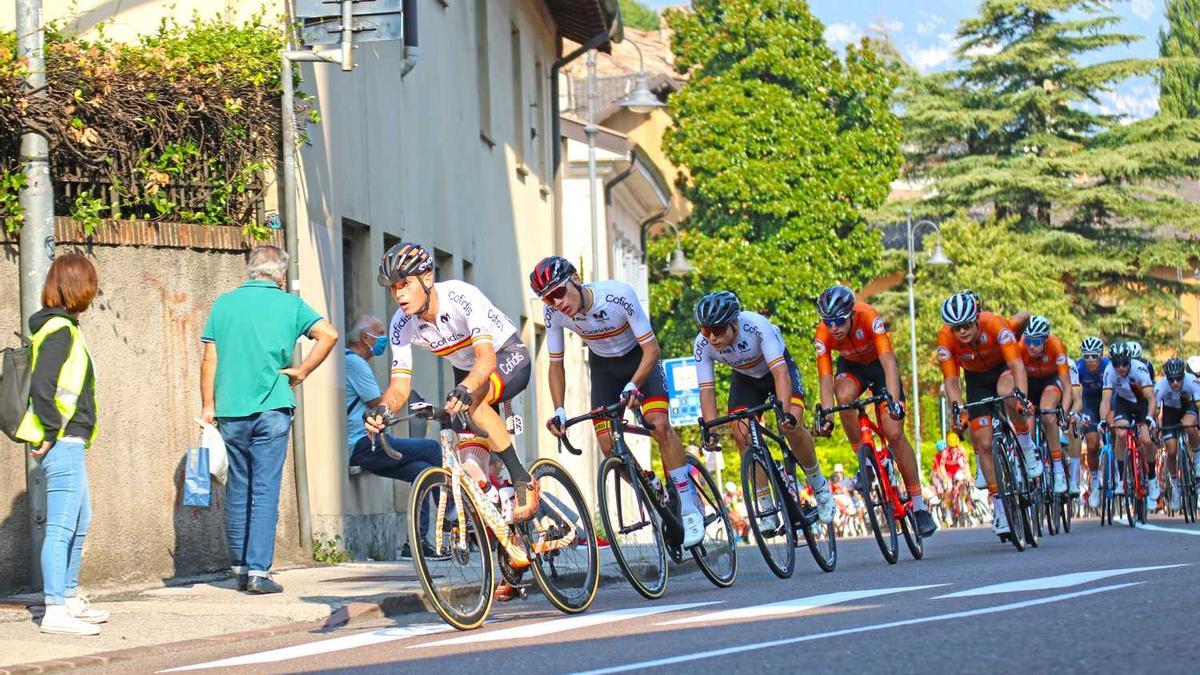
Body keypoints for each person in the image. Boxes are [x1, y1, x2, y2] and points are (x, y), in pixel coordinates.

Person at [532, 256, 704, 545]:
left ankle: (688, 505)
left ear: (575, 278)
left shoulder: (617, 295)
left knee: (658, 424)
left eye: (559, 292)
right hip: (604, 369)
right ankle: (652, 485)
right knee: (608, 446)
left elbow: (652, 349)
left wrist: (634, 384)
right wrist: (559, 409)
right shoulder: (553, 315)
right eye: (548, 299)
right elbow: (555, 364)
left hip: (640, 362)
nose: (556, 302)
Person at [366, 243, 540, 522]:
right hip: (466, 373)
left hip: (505, 355)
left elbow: (486, 360)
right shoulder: (401, 324)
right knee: (470, 465)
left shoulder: (460, 297)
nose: (399, 293)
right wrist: (384, 410)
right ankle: (498, 512)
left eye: (405, 283)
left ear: (427, 278)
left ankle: (522, 479)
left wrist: (468, 389)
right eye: (393, 288)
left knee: (476, 406)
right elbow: (400, 386)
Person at [201, 245, 338, 594]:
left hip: (230, 408)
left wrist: (208, 405)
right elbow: (330, 334)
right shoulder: (290, 305)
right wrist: (304, 370)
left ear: (251, 270)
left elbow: (209, 360)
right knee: (264, 490)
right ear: (280, 274)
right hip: (273, 404)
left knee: (238, 484)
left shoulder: (224, 304)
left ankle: (241, 566)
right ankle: (260, 572)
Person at [17, 254, 107, 635]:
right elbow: (42, 384)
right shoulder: (59, 329)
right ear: (76, 287)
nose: (93, 291)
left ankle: (68, 597)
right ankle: (55, 609)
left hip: (70, 440)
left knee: (79, 522)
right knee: (61, 527)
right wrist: (52, 432)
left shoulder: (62, 327)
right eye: (90, 283)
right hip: (63, 442)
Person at [692, 291, 836, 526]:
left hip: (778, 371)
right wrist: (710, 429)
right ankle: (765, 504)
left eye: (717, 330)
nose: (711, 338)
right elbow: (706, 389)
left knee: (791, 426)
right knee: (740, 433)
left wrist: (785, 412)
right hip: (746, 380)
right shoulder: (702, 344)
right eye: (705, 331)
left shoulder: (757, 326)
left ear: (733, 323)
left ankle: (819, 485)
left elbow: (780, 373)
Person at [813, 284, 935, 536]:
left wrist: (893, 401)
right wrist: (826, 415)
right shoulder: (823, 334)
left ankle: (920, 506)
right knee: (843, 397)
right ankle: (864, 460)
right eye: (828, 322)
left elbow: (889, 362)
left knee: (894, 433)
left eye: (839, 321)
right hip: (852, 368)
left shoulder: (868, 316)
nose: (833, 327)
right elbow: (825, 379)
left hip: (880, 368)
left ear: (851, 315)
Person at [936, 291, 1036, 538]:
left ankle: (1026, 445)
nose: (962, 332)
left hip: (1002, 369)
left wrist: (1021, 396)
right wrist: (958, 410)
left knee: (1007, 392)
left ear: (977, 319)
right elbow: (951, 382)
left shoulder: (995, 324)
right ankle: (1000, 508)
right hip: (976, 381)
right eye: (957, 328)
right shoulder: (945, 339)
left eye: (967, 325)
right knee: (983, 441)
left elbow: (1017, 366)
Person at [344, 315, 443, 558]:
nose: (383, 340)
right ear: (365, 338)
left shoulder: (354, 363)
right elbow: (382, 404)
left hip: (374, 443)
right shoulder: (354, 363)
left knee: (421, 471)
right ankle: (451, 517)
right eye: (379, 333)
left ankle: (418, 543)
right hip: (363, 444)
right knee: (432, 449)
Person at [1017, 316, 1073, 494]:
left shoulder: (1056, 346)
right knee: (1028, 420)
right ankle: (1028, 462)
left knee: (1049, 416)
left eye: (1036, 341)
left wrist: (1062, 413)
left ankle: (1058, 470)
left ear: (1046, 340)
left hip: (1050, 381)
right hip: (1029, 383)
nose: (1031, 346)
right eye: (1028, 341)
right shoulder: (1020, 348)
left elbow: (1067, 387)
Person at [1098, 342, 1157, 505]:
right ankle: (1123, 478)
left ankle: (1152, 478)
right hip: (1123, 403)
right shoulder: (1109, 371)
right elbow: (1106, 400)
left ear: (1130, 360)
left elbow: (1151, 398)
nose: (1121, 367)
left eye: (1124, 363)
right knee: (1121, 434)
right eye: (1117, 364)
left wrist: (1150, 418)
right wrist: (1103, 420)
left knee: (1146, 440)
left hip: (1142, 404)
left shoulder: (1139, 369)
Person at [1154, 357, 1200, 512]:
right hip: (1170, 413)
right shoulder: (1160, 386)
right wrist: (1154, 426)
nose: (1175, 383)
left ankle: (1198, 461)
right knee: (1171, 450)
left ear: (1183, 376)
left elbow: (1198, 405)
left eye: (1178, 379)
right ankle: (1175, 487)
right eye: (1171, 380)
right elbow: (1154, 410)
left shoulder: (1191, 381)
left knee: (1190, 426)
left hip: (1188, 407)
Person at [1077, 337, 1110, 509]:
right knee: (1092, 444)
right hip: (1089, 403)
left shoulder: (1108, 366)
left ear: (1101, 355)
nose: (1090, 360)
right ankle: (1096, 481)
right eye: (1086, 356)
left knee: (1118, 432)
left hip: (1109, 400)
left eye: (1094, 356)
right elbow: (1075, 392)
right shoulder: (1079, 367)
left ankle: (1120, 471)